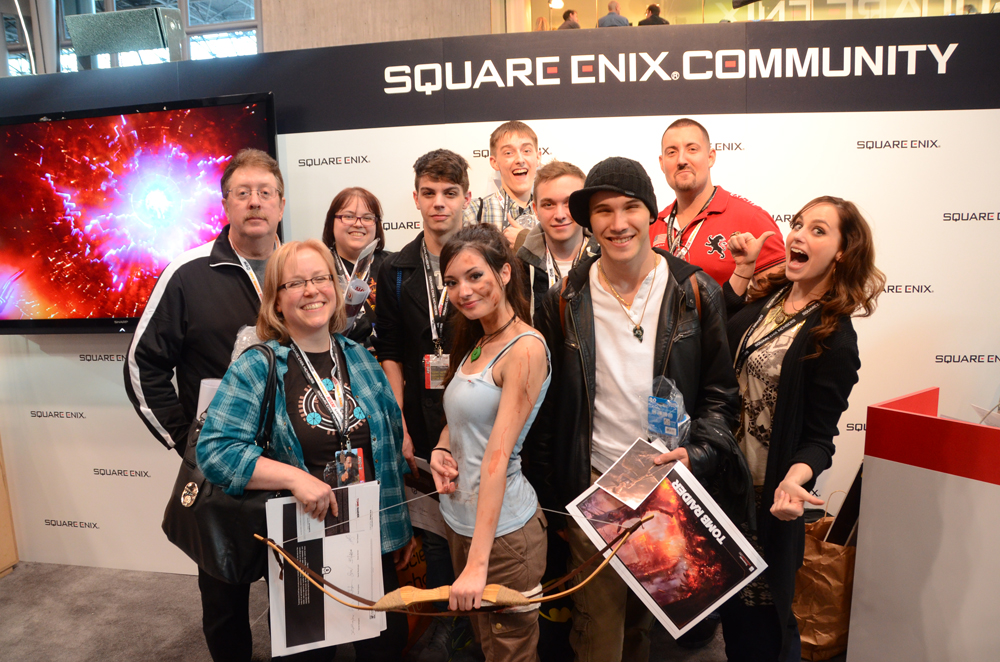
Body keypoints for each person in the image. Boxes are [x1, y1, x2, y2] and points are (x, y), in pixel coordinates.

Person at [527, 157, 750, 662]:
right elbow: (552, 406)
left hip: (665, 483)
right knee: (599, 632)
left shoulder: (695, 291)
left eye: (630, 207)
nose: (618, 222)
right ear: (590, 221)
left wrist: (697, 453)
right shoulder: (567, 296)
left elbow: (720, 394)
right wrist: (556, 496)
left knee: (643, 630)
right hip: (596, 483)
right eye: (603, 211)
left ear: (650, 212)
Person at [197, 239, 415, 662]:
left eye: (320, 278)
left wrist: (397, 529)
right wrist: (296, 478)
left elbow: (387, 453)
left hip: (368, 536)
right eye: (295, 283)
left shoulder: (361, 359)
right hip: (303, 541)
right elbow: (216, 451)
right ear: (277, 301)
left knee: (387, 646)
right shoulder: (258, 365)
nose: (311, 290)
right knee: (312, 655)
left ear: (336, 289)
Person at [124, 148, 286, 661]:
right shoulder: (189, 273)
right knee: (223, 600)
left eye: (265, 192)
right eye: (243, 193)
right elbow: (141, 365)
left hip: (296, 462)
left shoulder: (305, 267)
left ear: (282, 203)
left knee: (301, 595)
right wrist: (187, 441)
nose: (255, 202)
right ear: (226, 204)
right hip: (222, 469)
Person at [721, 197, 884, 662]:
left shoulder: (833, 335)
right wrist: (744, 270)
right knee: (723, 624)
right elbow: (718, 331)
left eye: (817, 230)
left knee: (762, 633)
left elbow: (819, 436)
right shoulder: (771, 297)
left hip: (764, 500)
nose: (798, 235)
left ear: (841, 252)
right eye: (797, 224)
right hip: (720, 488)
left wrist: (795, 478)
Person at [430, 224, 550, 662]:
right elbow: (461, 419)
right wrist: (443, 448)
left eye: (475, 276)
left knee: (510, 653)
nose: (463, 291)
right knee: (489, 647)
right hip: (465, 523)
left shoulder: (523, 348)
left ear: (504, 273)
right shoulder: (479, 339)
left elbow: (497, 460)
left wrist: (478, 565)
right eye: (452, 282)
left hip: (502, 537)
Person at [373, 149, 475, 661]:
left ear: (466, 198)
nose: (439, 204)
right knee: (432, 525)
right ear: (415, 198)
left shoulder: (482, 259)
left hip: (476, 411)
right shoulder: (394, 268)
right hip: (419, 414)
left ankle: (474, 620)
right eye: (429, 193)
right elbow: (389, 349)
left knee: (476, 514)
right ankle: (441, 623)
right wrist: (399, 423)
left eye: (450, 194)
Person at [650, 118, 784, 287]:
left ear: (710, 157)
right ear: (662, 164)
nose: (681, 160)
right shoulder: (653, 226)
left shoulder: (751, 219)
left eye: (692, 149)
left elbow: (778, 304)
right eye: (672, 152)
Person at [517, 160, 599, 321]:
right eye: (549, 204)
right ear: (536, 210)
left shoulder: (609, 259)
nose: (560, 215)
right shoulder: (519, 271)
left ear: (584, 206)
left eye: (569, 204)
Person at [321, 186, 391, 352]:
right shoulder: (319, 266)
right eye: (348, 216)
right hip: (336, 362)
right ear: (332, 222)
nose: (358, 224)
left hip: (388, 363)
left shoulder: (392, 265)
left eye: (367, 218)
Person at [464, 120, 540, 248]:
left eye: (526, 151)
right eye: (509, 153)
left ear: (538, 158)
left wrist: (526, 242)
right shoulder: (475, 212)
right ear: (494, 162)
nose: (520, 160)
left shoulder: (550, 211)